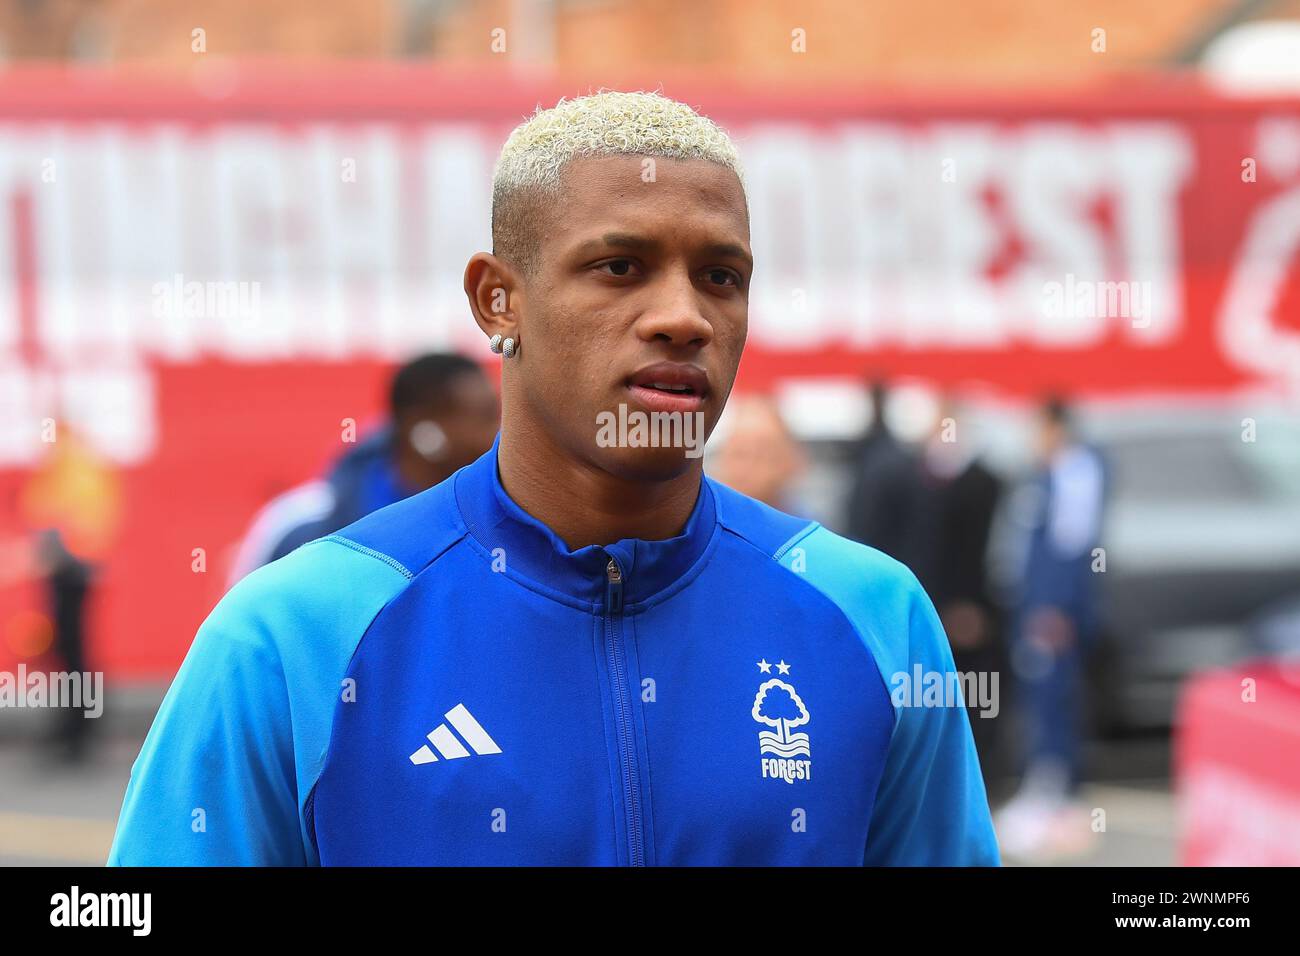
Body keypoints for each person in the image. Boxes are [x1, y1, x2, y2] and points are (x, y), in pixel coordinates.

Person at [109, 91, 998, 866]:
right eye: (621, 266)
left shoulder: (873, 615)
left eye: (720, 276)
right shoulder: (296, 633)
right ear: (499, 299)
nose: (684, 316)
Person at [226, 352, 500, 585]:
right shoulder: (302, 523)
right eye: (486, 417)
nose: (500, 432)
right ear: (425, 428)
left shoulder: (506, 520)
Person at [995, 396, 1107, 859]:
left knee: (1052, 700)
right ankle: (1046, 791)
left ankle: (1055, 795)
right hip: (1033, 605)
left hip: (1050, 613)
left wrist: (1054, 609)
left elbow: (1072, 547)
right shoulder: (1044, 475)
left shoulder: (1076, 472)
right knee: (1040, 698)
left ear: (1056, 428)